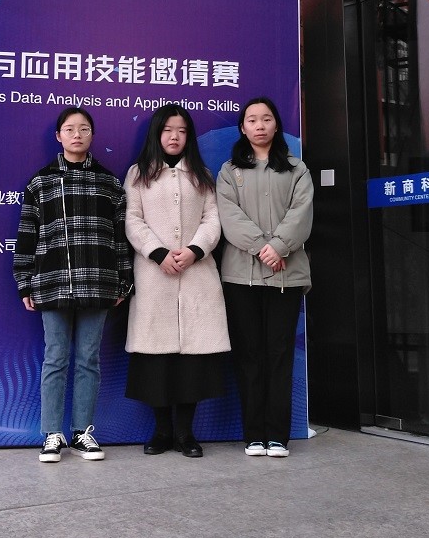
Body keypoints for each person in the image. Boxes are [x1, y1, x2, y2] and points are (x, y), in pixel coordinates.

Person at [13, 107, 133, 463]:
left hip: (98, 282)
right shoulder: (41, 182)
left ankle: (83, 432)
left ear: (92, 135)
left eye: (83, 129)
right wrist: (24, 282)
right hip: (52, 283)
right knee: (55, 358)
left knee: (88, 360)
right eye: (69, 129)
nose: (76, 135)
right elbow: (27, 236)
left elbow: (121, 239)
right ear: (58, 136)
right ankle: (52, 434)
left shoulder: (110, 183)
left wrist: (124, 281)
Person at [123, 104, 229, 458]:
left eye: (182, 131)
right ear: (157, 133)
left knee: (191, 364)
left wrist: (195, 250)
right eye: (168, 130)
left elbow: (213, 219)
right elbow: (132, 220)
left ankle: (185, 434)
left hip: (196, 275)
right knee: (157, 361)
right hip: (155, 276)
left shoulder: (202, 175)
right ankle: (162, 432)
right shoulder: (138, 174)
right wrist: (158, 253)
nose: (174, 137)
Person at [217, 97, 314, 458]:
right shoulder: (230, 171)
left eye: (266, 119)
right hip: (241, 277)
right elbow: (229, 215)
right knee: (249, 355)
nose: (259, 125)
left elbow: (302, 213)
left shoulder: (297, 169)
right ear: (243, 128)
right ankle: (254, 434)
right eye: (252, 120)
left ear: (276, 125)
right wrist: (262, 247)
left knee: (279, 354)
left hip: (286, 275)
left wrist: (280, 246)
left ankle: (277, 436)